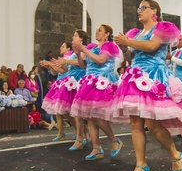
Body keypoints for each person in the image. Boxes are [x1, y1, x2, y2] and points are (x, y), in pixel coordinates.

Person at [112, 0, 182, 171]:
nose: (139, 11)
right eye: (138, 8)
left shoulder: (162, 28)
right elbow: (132, 55)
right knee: (135, 124)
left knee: (153, 125)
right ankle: (140, 166)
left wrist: (128, 41)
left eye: (143, 8)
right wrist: (124, 47)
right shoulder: (136, 33)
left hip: (154, 76)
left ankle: (175, 155)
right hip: (135, 76)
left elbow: (152, 46)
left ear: (154, 11)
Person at [70, 24, 123, 161]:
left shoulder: (109, 45)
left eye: (100, 30)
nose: (97, 32)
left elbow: (100, 60)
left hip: (102, 81)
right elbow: (82, 65)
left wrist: (82, 49)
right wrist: (78, 54)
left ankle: (114, 140)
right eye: (97, 30)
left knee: (98, 116)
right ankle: (96, 148)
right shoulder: (92, 47)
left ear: (107, 34)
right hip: (90, 81)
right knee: (90, 116)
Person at [51, 31, 90, 150]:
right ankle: (82, 136)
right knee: (72, 111)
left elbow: (81, 63)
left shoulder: (84, 49)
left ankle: (84, 136)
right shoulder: (74, 52)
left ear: (81, 39)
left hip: (78, 79)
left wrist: (65, 61)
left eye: (75, 36)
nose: (73, 37)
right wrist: (52, 65)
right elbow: (63, 69)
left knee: (77, 112)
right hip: (71, 80)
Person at [40, 41, 83, 142]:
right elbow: (55, 72)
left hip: (67, 83)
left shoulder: (70, 58)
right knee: (58, 111)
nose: (61, 47)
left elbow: (63, 70)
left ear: (68, 49)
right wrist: (50, 66)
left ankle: (79, 131)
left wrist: (50, 63)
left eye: (63, 46)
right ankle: (61, 133)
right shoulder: (63, 58)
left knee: (66, 111)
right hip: (60, 82)